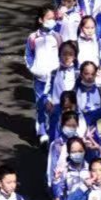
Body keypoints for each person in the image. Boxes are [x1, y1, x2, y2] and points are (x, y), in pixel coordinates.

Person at [26, 9, 63, 141]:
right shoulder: (33, 37)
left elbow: (62, 53)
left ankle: (53, 128)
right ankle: (42, 131)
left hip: (54, 78)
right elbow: (28, 55)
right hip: (40, 78)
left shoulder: (57, 36)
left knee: (54, 104)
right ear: (41, 20)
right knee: (41, 104)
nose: (52, 21)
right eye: (49, 18)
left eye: (54, 18)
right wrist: (33, 69)